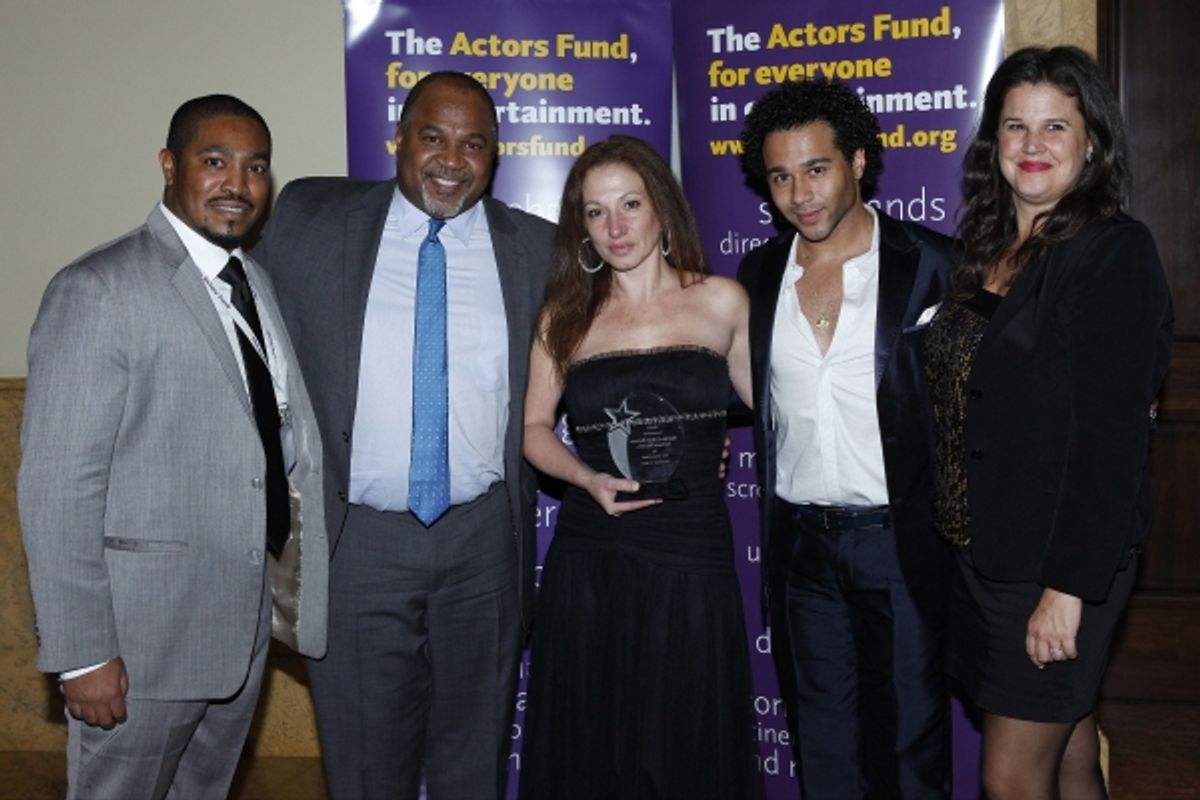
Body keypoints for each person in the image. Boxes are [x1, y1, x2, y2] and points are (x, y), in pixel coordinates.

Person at [18, 94, 328, 799]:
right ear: (168, 164)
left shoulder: (252, 284)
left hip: (236, 633)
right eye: (213, 161)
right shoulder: (98, 288)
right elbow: (58, 487)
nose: (237, 184)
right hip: (139, 647)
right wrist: (81, 654)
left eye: (255, 167)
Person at [254, 71, 554, 800]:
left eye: (474, 144)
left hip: (483, 544)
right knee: (362, 766)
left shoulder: (538, 250)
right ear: (399, 138)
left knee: (473, 761)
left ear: (496, 157)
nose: (452, 159)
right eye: (433, 136)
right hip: (357, 544)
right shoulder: (309, 221)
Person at [923, 46, 1172, 799]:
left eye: (1054, 127)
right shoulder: (990, 251)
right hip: (983, 551)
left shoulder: (1112, 252)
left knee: (1010, 780)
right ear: (993, 142)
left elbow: (1112, 439)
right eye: (1015, 127)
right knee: (1065, 753)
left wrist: (1066, 590)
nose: (1032, 146)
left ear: (1090, 141)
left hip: (1053, 561)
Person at [517, 134, 757, 799]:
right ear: (581, 227)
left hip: (691, 548)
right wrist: (585, 479)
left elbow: (770, 406)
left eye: (629, 204)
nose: (615, 227)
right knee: (599, 739)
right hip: (596, 551)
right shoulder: (564, 319)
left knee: (685, 735)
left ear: (662, 208)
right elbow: (534, 430)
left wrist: (707, 435)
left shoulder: (722, 302)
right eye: (596, 212)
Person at [736, 79, 954, 798]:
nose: (799, 192)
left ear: (858, 161)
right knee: (822, 748)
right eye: (780, 175)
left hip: (900, 541)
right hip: (802, 549)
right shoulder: (760, 274)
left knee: (908, 748)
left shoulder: (932, 266)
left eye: (817, 168)